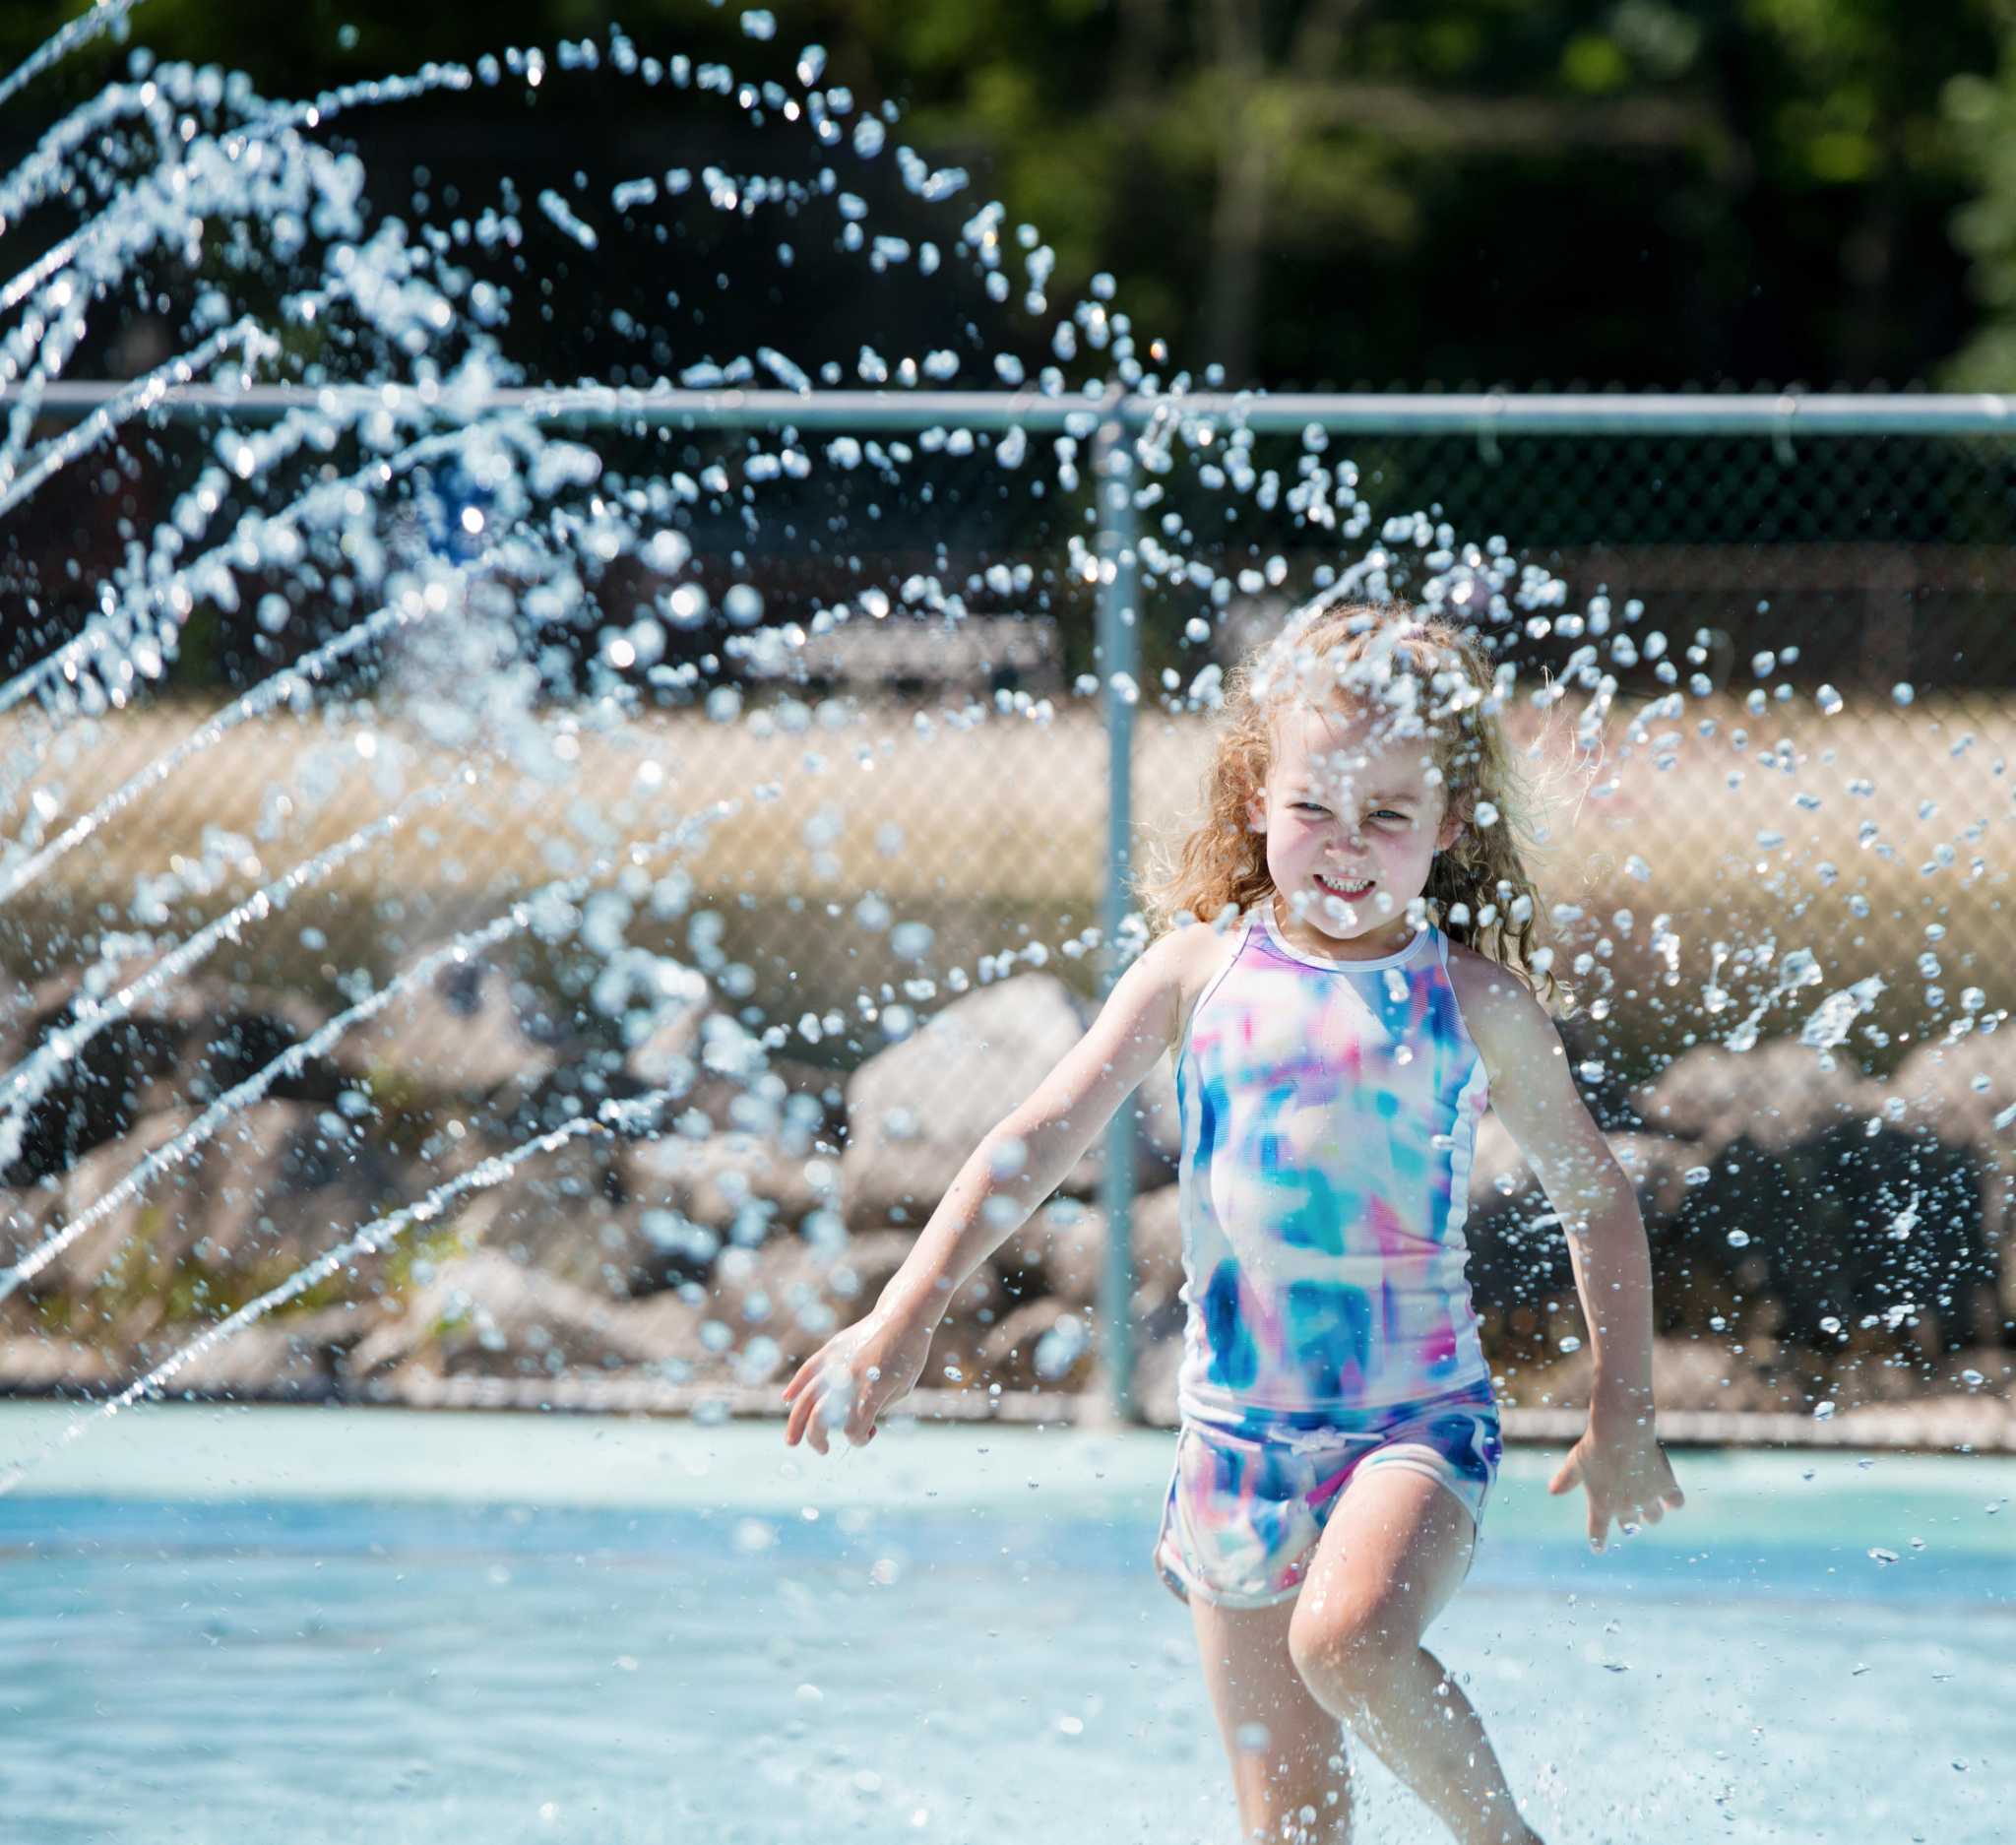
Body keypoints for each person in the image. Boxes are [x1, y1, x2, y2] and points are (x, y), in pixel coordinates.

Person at [783, 596, 1684, 1845]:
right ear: (1258, 796)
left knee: (1350, 1639)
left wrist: (1621, 1406)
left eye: (1387, 815)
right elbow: (1027, 1143)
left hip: (1409, 1424)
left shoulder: (1474, 1003)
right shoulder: (1194, 973)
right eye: (1314, 807)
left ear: (1448, 825)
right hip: (1232, 1450)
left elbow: (1597, 1200)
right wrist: (904, 1308)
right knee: (1289, 1833)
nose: (1345, 844)